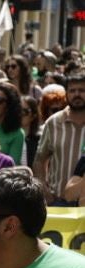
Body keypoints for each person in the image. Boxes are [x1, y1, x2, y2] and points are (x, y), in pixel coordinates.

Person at [32, 72, 85, 202]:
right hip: (59, 202)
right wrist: (45, 191)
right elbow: (39, 160)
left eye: (82, 90)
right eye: (72, 90)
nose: (77, 94)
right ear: (66, 94)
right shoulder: (54, 122)